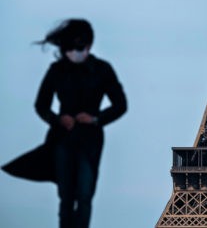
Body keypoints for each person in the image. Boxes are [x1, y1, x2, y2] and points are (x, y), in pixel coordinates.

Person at [2, 19, 127, 228]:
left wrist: (95, 119)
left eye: (78, 47)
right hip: (63, 139)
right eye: (69, 48)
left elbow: (121, 105)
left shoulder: (102, 70)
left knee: (85, 194)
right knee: (66, 196)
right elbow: (41, 104)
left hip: (90, 141)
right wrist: (57, 119)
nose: (73, 52)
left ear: (88, 46)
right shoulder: (57, 70)